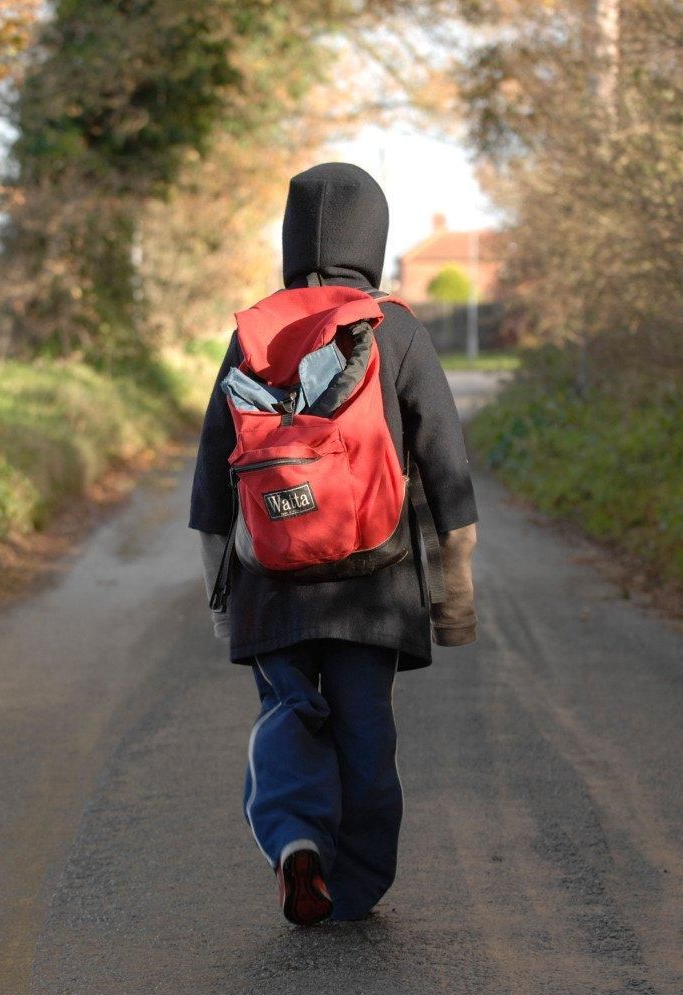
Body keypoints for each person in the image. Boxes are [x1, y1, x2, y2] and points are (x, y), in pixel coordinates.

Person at [189, 162, 479, 926]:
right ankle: (356, 886)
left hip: (269, 579)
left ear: (292, 239)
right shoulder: (395, 328)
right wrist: (454, 593)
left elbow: (212, 472)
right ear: (373, 239)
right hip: (374, 584)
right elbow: (446, 463)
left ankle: (295, 840)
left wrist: (220, 596)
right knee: (364, 727)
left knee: (290, 711)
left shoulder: (254, 331)